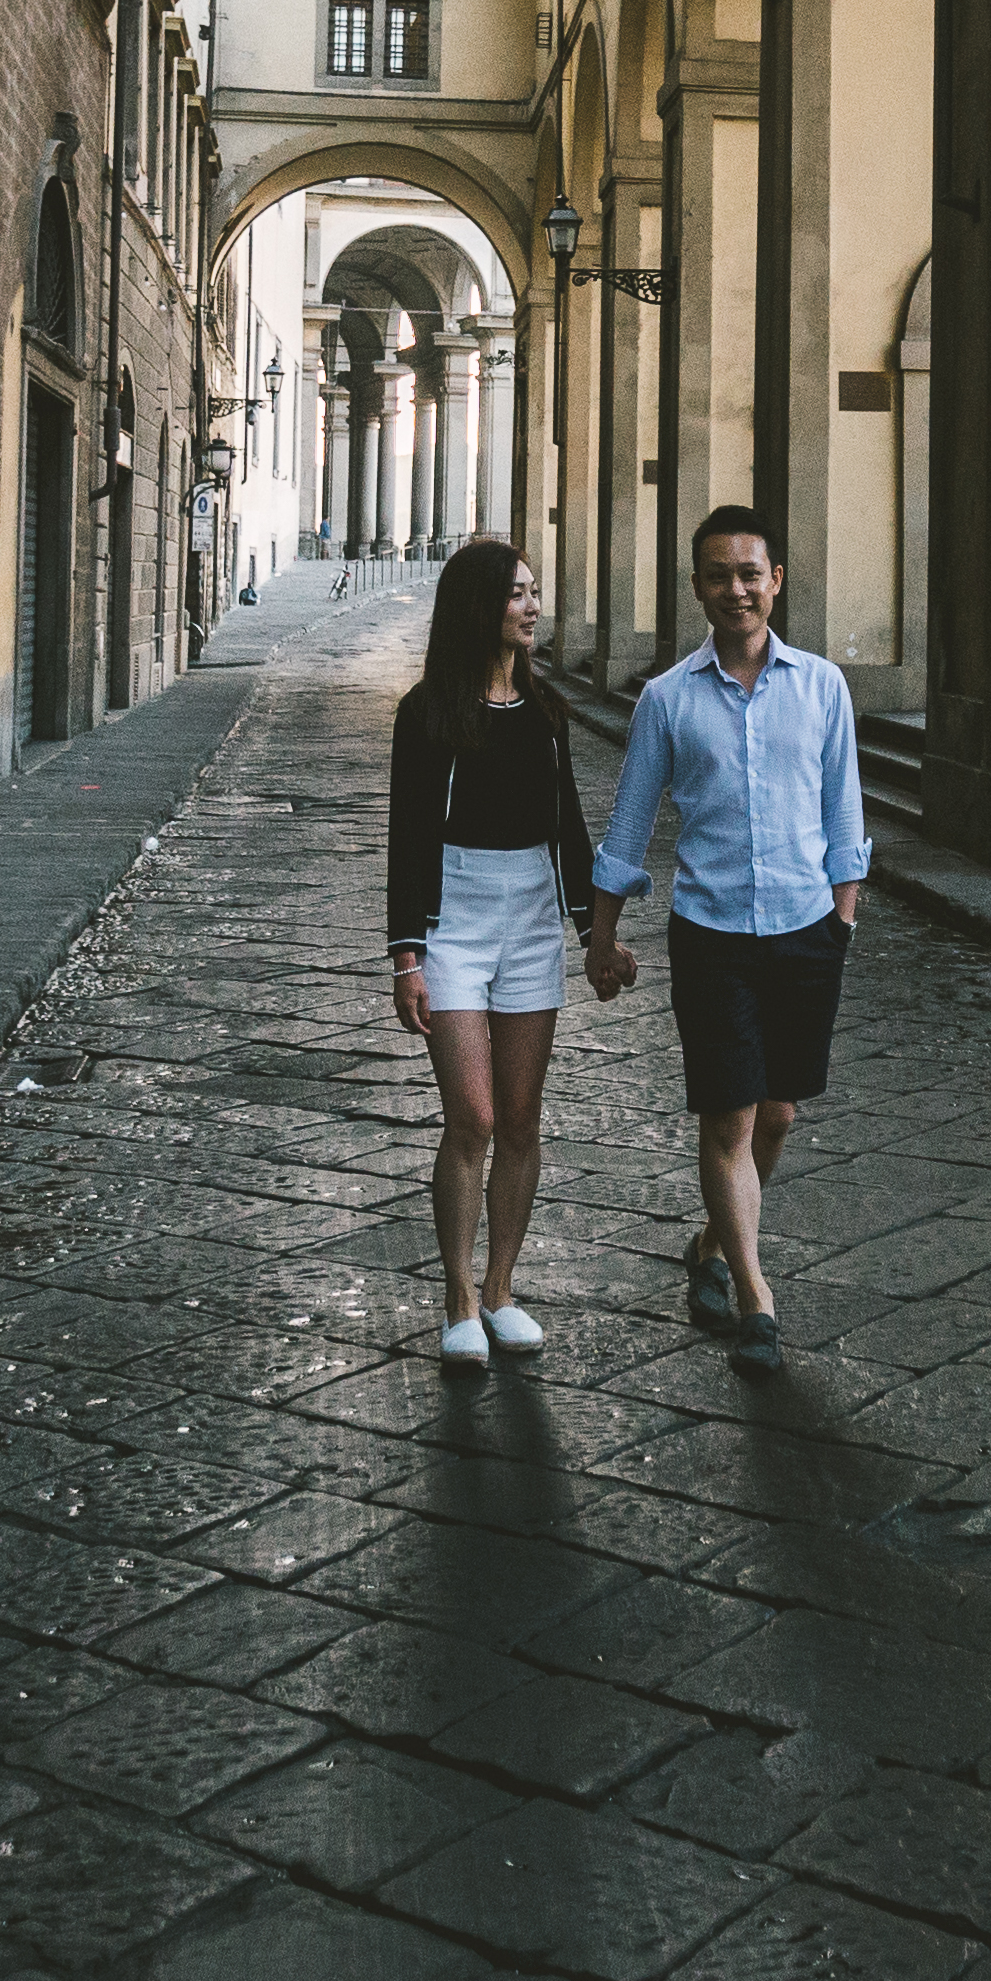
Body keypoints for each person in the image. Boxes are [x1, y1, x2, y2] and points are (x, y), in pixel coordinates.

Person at [584, 504, 867, 1374]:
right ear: (698, 587)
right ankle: (756, 1299)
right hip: (711, 934)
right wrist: (602, 938)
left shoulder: (823, 687)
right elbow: (629, 827)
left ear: (776, 581)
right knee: (730, 1119)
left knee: (776, 1114)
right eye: (719, 575)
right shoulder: (668, 700)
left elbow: (844, 815)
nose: (736, 589)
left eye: (752, 573)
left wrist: (842, 925)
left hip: (804, 928)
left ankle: (710, 1243)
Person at [386, 537, 614, 1366]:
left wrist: (596, 935)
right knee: (472, 1117)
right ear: (481, 606)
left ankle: (501, 1289)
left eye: (534, 592)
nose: (532, 606)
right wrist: (406, 955)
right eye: (518, 594)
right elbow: (407, 837)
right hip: (453, 922)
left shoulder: (549, 713)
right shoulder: (429, 712)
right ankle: (455, 1294)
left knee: (520, 1118)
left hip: (529, 925)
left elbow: (571, 833)